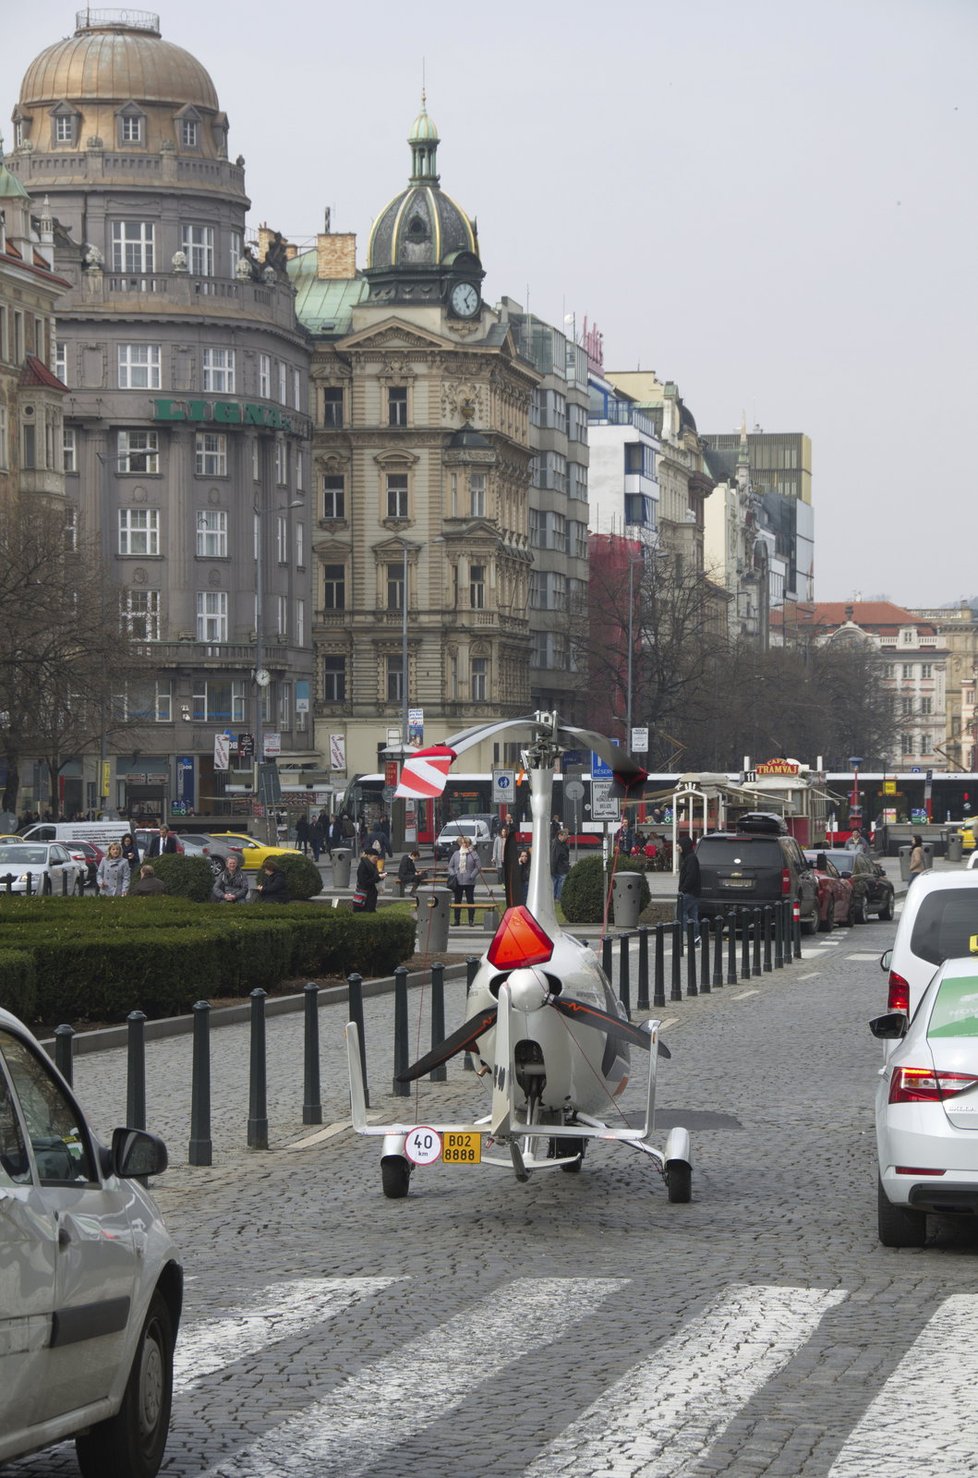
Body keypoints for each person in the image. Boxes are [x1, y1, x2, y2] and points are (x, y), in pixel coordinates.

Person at [448, 834, 480, 925]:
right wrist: (453, 874)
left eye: (466, 843)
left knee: (470, 900)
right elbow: (450, 866)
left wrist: (472, 876)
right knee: (457, 901)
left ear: (469, 844)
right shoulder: (456, 854)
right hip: (458, 881)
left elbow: (478, 867)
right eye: (462, 843)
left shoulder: (473, 854)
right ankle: (456, 920)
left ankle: (471, 920)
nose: (464, 845)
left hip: (469, 881)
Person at [676, 834, 701, 931]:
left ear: (684, 845)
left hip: (689, 892)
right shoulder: (688, 857)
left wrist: (683, 889)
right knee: (692, 916)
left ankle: (691, 934)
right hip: (693, 892)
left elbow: (691, 876)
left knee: (680, 912)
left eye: (679, 844)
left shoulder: (690, 858)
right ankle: (695, 939)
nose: (677, 847)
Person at [551, 828, 571, 901]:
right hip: (560, 868)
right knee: (560, 882)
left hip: (560, 867)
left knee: (557, 882)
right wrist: (553, 869)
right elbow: (554, 858)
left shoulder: (560, 843)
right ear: (560, 836)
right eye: (565, 836)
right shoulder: (556, 844)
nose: (566, 838)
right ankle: (558, 897)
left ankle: (556, 897)